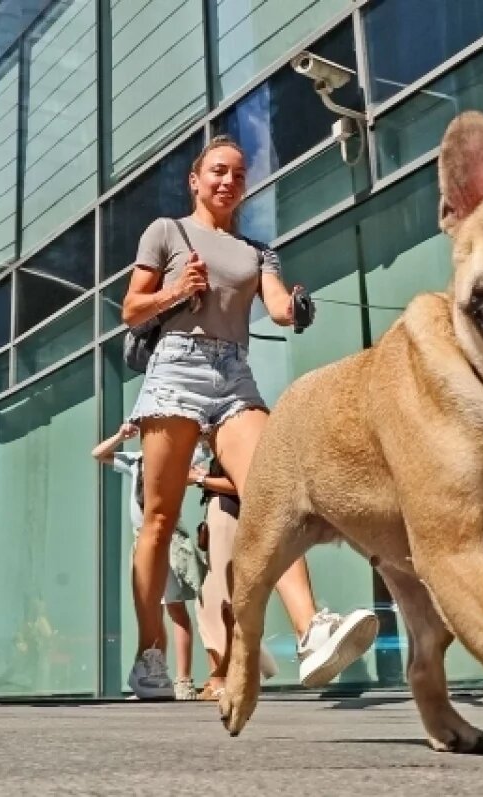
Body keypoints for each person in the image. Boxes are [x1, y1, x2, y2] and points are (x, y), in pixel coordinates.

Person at [119, 135, 377, 699]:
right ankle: (150, 652)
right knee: (160, 521)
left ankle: (312, 631)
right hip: (176, 370)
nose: (227, 181)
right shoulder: (168, 232)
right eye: (217, 171)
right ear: (196, 179)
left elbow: (279, 305)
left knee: (274, 492)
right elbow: (131, 308)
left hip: (234, 375)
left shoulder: (259, 251)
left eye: (238, 174)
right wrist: (173, 292)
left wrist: (296, 308)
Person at [93, 424, 204, 700]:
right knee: (151, 609)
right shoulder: (135, 460)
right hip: (141, 539)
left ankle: (184, 680)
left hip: (167, 538)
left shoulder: (178, 456)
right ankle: (156, 673)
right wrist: (120, 435)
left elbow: (204, 449)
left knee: (175, 608)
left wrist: (193, 432)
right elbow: (98, 454)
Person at [191, 454, 278, 700]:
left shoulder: (236, 439)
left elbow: (241, 484)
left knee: (223, 600)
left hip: (228, 514)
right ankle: (220, 675)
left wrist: (200, 478)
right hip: (218, 514)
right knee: (207, 603)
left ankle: (229, 675)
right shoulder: (220, 442)